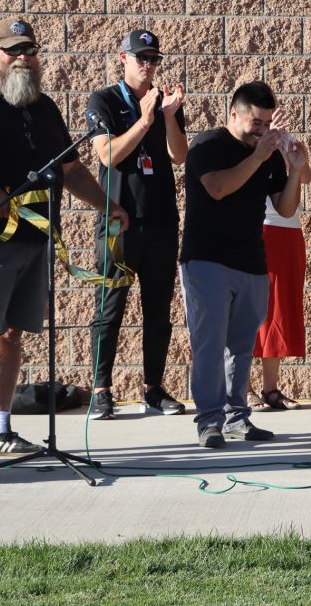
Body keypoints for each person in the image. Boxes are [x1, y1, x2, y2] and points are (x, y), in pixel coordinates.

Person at [0, 17, 128, 467]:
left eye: (29, 51)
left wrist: (106, 204)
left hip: (35, 236)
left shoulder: (43, 107)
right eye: (12, 50)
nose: (23, 58)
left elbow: (72, 169)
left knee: (10, 333)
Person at [180, 81, 305, 449]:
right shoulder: (208, 145)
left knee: (242, 346)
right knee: (209, 343)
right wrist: (258, 157)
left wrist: (295, 169)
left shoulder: (266, 155)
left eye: (268, 124)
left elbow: (285, 208)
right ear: (233, 114)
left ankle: (237, 418)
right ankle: (209, 421)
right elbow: (218, 187)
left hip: (252, 261)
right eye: (256, 123)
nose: (262, 132)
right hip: (207, 260)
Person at [86, 29, 188, 420]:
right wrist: (144, 122)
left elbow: (178, 156)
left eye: (153, 59)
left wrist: (167, 118)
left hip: (161, 219)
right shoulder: (105, 100)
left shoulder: (164, 103)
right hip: (119, 221)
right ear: (122, 58)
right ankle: (101, 389)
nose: (148, 66)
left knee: (158, 310)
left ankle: (153, 388)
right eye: (140, 58)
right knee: (109, 308)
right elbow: (108, 155)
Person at [249, 144, 311, 412]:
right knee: (253, 309)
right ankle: (244, 389)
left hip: (289, 229)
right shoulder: (246, 142)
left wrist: (292, 154)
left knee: (279, 309)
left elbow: (306, 177)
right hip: (262, 227)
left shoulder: (287, 141)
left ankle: (271, 388)